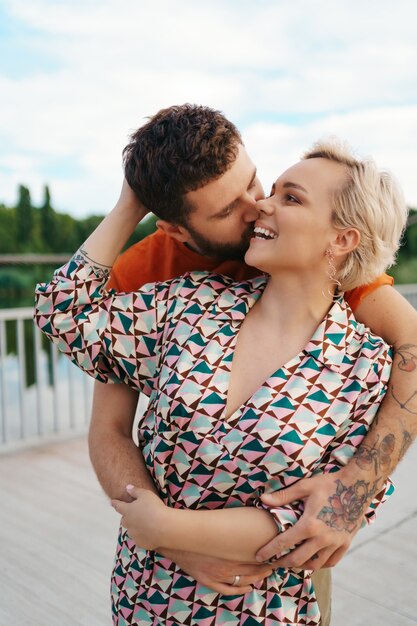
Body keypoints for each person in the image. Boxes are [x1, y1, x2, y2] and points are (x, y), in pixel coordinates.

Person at [35, 138, 409, 625]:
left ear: (341, 239)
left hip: (264, 607)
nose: (259, 207)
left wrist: (165, 526)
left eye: (286, 196)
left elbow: (316, 517)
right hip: (146, 592)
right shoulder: (182, 301)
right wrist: (131, 201)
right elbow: (64, 316)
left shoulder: (367, 363)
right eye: (260, 194)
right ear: (175, 226)